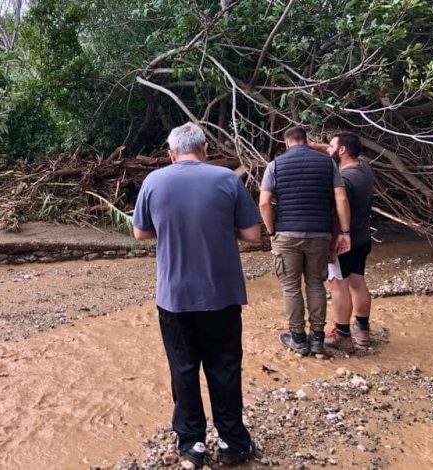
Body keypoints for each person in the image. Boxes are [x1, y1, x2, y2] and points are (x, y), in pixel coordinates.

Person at [133, 123, 261, 467]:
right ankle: (234, 441)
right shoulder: (227, 179)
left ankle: (193, 443)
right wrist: (222, 227)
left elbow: (140, 233)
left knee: (184, 368)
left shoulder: (154, 181)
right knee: (225, 366)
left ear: (171, 154)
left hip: (174, 296)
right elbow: (253, 235)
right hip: (221, 293)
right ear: (205, 149)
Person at [259, 126, 352, 356]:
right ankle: (318, 339)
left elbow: (264, 203)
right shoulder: (327, 163)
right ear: (306, 140)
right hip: (320, 233)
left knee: (291, 287)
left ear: (286, 143)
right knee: (315, 284)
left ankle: (299, 339)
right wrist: (345, 233)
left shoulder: (276, 165)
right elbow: (340, 198)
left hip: (287, 234)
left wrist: (271, 231)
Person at [323, 132, 375, 351]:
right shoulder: (364, 168)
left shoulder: (343, 180)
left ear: (342, 150)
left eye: (331, 146)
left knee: (338, 285)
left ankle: (342, 333)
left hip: (345, 240)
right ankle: (363, 330)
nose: (327, 149)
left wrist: (332, 244)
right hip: (363, 237)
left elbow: (336, 213)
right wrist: (308, 144)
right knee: (357, 282)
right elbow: (334, 149)